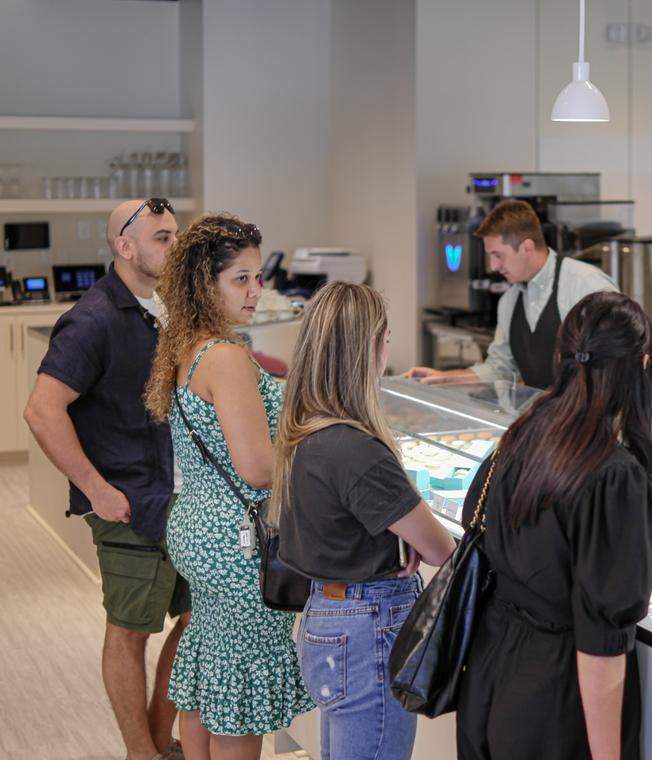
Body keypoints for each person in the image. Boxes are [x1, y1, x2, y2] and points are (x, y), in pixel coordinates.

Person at [456, 291, 652, 760]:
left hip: (490, 677)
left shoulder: (524, 432)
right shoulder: (614, 474)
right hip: (555, 698)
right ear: (643, 364)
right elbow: (600, 647)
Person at [143, 214, 313, 759]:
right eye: (240, 278)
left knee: (210, 667)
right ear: (204, 283)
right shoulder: (228, 357)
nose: (255, 290)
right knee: (240, 685)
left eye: (258, 277)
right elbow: (257, 469)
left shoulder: (187, 347)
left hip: (197, 528)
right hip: (239, 543)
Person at [24, 198, 189, 760]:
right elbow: (43, 410)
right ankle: (139, 752)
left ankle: (158, 738)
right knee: (130, 629)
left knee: (198, 618)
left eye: (175, 235)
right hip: (129, 503)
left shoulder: (169, 307)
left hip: (184, 500)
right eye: (162, 238)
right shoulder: (92, 318)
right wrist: (97, 489)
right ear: (125, 246)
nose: (174, 246)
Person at [274, 282, 457, 760]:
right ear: (368, 348)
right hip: (368, 626)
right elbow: (442, 551)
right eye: (386, 337)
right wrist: (411, 533)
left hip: (329, 617)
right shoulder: (356, 449)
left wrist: (396, 535)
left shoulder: (306, 428)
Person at [404, 199, 618, 389]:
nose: (493, 266)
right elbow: (500, 368)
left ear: (526, 247)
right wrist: (443, 377)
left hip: (590, 426)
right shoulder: (510, 300)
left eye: (498, 255)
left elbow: (615, 362)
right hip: (543, 421)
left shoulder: (585, 285)